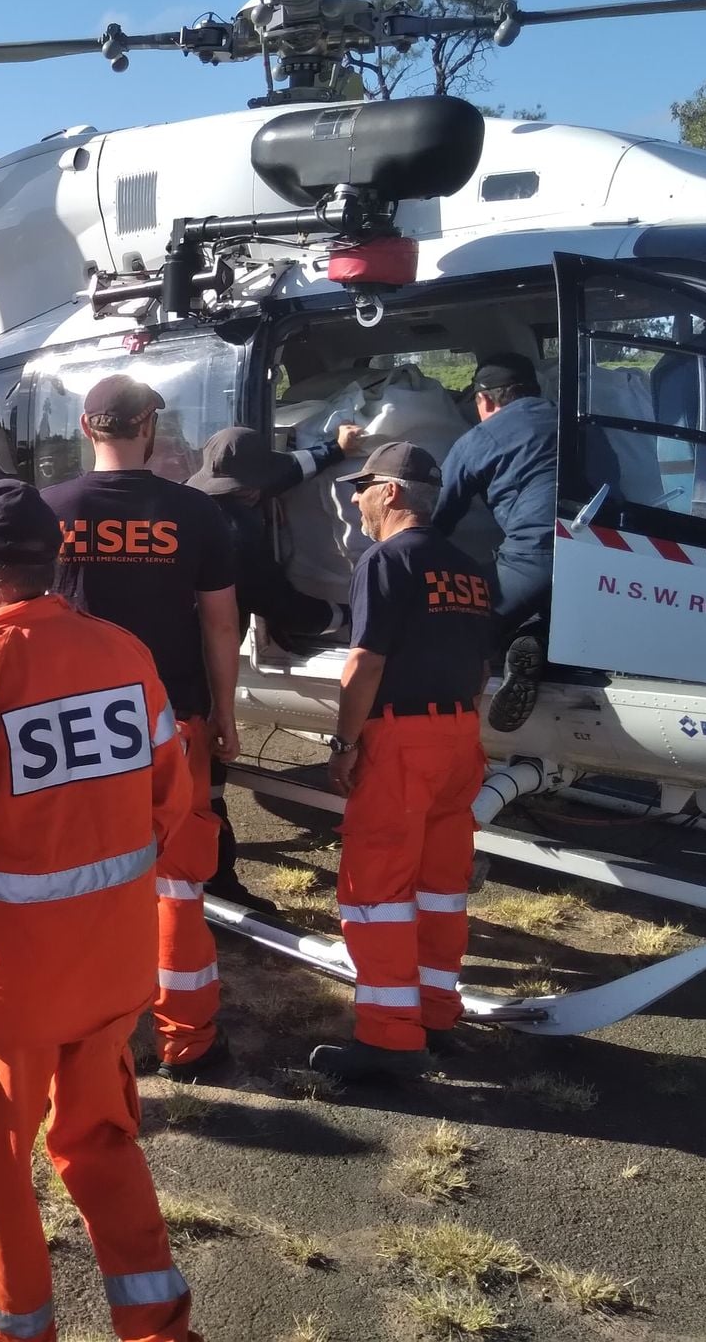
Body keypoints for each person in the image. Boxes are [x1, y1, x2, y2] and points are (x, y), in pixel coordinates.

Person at [0, 481, 198, 1342]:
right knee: (102, 1141)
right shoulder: (123, 653)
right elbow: (171, 803)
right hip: (111, 973)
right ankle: (160, 1329)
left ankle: (12, 1333)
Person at [42, 375, 239, 1083]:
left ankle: (86, 1034)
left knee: (76, 879)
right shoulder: (194, 513)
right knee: (178, 883)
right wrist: (225, 713)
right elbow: (220, 622)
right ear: (149, 426)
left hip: (69, 731)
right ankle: (189, 1040)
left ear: (87, 429)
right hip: (172, 724)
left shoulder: (49, 510)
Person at [315, 443, 491, 1083]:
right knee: (441, 887)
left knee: (378, 891)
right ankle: (437, 1015)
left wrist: (344, 742)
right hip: (460, 737)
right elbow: (482, 668)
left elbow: (366, 661)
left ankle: (390, 1040)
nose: (356, 499)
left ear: (391, 492)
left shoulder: (386, 560)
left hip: (404, 742)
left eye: (362, 487)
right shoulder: (469, 569)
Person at [186, 422, 363, 910]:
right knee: (207, 783)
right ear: (251, 488)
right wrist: (349, 616)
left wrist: (332, 450)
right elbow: (283, 605)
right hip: (195, 674)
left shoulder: (187, 501)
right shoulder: (238, 532)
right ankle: (215, 883)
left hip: (151, 662)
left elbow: (284, 472)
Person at [433, 353, 557, 733]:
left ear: (484, 400)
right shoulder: (575, 419)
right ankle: (534, 636)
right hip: (604, 556)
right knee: (544, 604)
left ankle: (449, 725)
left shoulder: (480, 438)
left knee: (458, 621)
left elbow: (441, 515)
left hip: (533, 557)